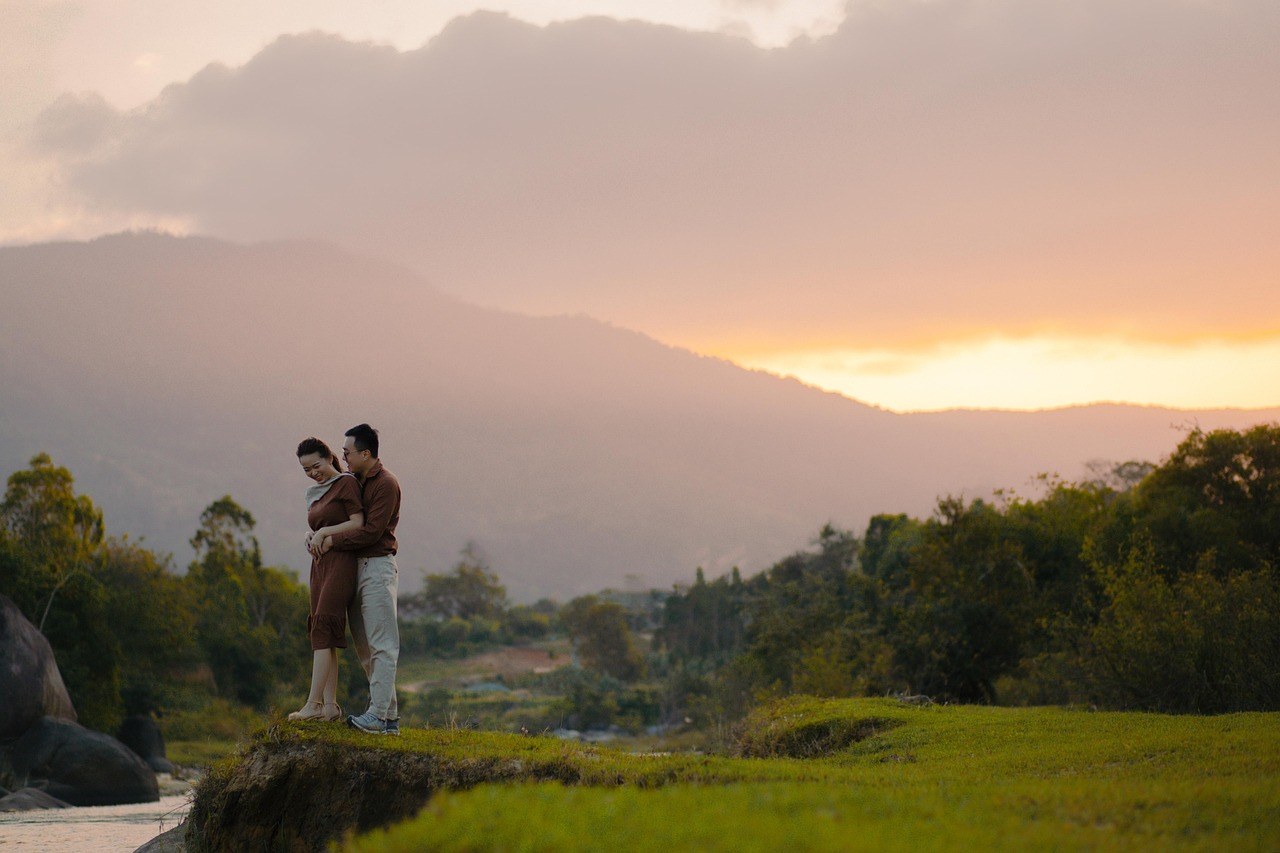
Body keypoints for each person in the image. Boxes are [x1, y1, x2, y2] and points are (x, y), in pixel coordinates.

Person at [310, 423, 402, 735]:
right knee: (365, 647)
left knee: (382, 644)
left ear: (366, 453)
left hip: (377, 567)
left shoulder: (385, 484)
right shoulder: (355, 482)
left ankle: (378, 714)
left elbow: (370, 532)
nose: (344, 456)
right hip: (356, 568)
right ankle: (388, 717)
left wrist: (332, 541)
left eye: (348, 452)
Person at [291, 436, 363, 721]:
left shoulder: (346, 483)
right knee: (323, 631)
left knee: (323, 628)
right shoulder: (316, 492)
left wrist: (324, 533)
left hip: (341, 562)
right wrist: (311, 534)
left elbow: (357, 522)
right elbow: (318, 524)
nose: (312, 473)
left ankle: (313, 704)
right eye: (306, 469)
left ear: (329, 457)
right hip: (320, 565)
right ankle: (330, 706)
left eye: (316, 465)